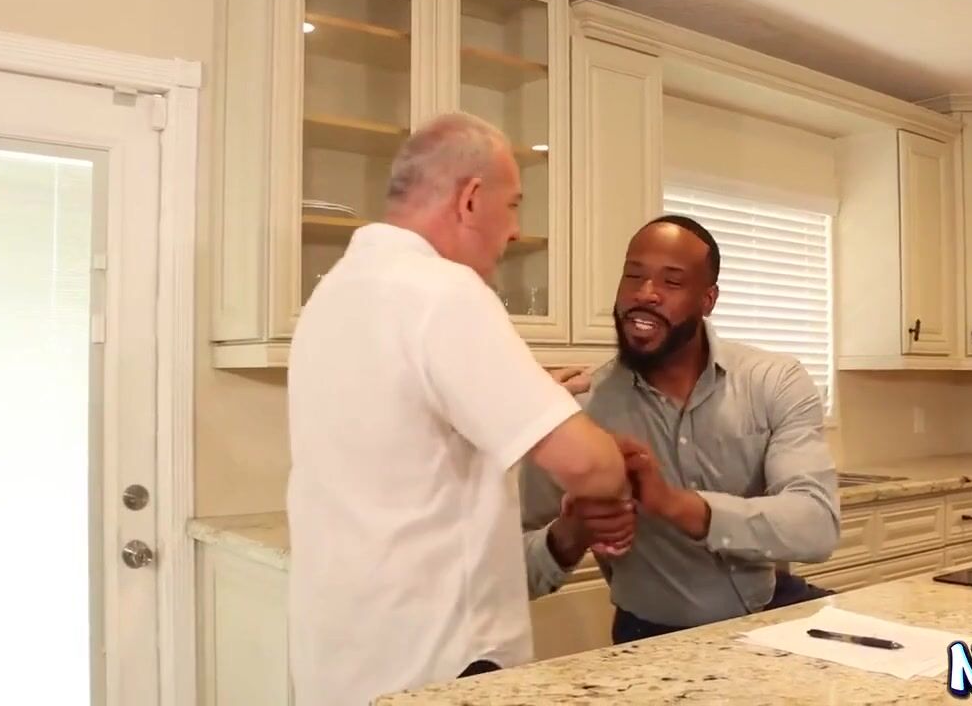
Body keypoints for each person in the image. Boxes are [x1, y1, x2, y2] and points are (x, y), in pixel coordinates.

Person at [286, 112, 630, 705]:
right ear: (471, 200)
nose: (515, 231)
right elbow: (591, 468)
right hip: (441, 662)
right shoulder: (444, 291)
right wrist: (600, 457)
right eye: (513, 205)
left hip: (345, 658)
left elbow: (405, 415)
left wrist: (523, 393)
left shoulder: (333, 293)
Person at [520, 214, 841, 644]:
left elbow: (816, 526)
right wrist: (570, 534)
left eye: (671, 282)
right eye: (633, 276)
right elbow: (518, 573)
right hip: (650, 636)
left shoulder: (773, 381)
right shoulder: (576, 410)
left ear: (708, 299)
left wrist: (675, 505)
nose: (645, 294)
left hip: (772, 611)